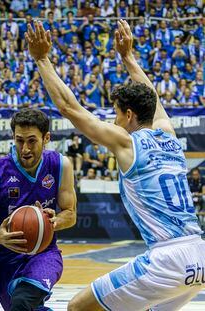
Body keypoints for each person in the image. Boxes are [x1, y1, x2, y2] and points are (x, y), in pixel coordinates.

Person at [26, 20, 205, 311]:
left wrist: (42, 59)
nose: (113, 120)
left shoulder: (126, 143)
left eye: (117, 114)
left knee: (78, 307)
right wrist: (128, 57)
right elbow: (153, 98)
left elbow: (69, 109)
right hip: (199, 255)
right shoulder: (169, 135)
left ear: (130, 115)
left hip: (167, 258)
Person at [0, 109, 77, 311]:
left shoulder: (60, 165)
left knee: (23, 301)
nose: (25, 148)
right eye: (19, 141)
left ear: (46, 138)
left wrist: (55, 221)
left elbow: (70, 213)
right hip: (7, 259)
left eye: (31, 141)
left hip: (44, 253)